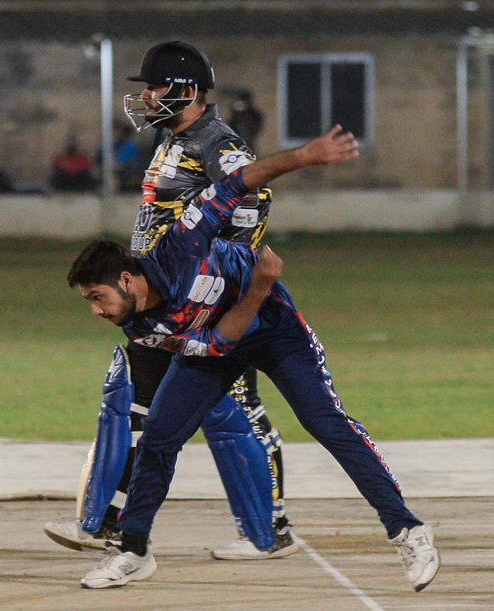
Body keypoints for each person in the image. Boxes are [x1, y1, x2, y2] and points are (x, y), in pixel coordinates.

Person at [67, 125, 440, 592]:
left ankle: (407, 529)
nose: (96, 311)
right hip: (226, 333)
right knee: (159, 437)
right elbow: (216, 347)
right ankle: (133, 551)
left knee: (325, 421)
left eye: (97, 297)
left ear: (126, 279)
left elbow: (239, 181)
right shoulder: (137, 325)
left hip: (275, 330)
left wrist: (306, 155)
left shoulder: (182, 242)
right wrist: (258, 286)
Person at [44, 40, 295, 561]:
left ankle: (270, 530)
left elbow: (253, 199)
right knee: (136, 405)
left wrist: (221, 286)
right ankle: (110, 521)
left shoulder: (218, 142)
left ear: (187, 90)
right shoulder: (172, 138)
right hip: (161, 302)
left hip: (203, 305)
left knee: (240, 411)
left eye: (156, 86)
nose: (147, 96)